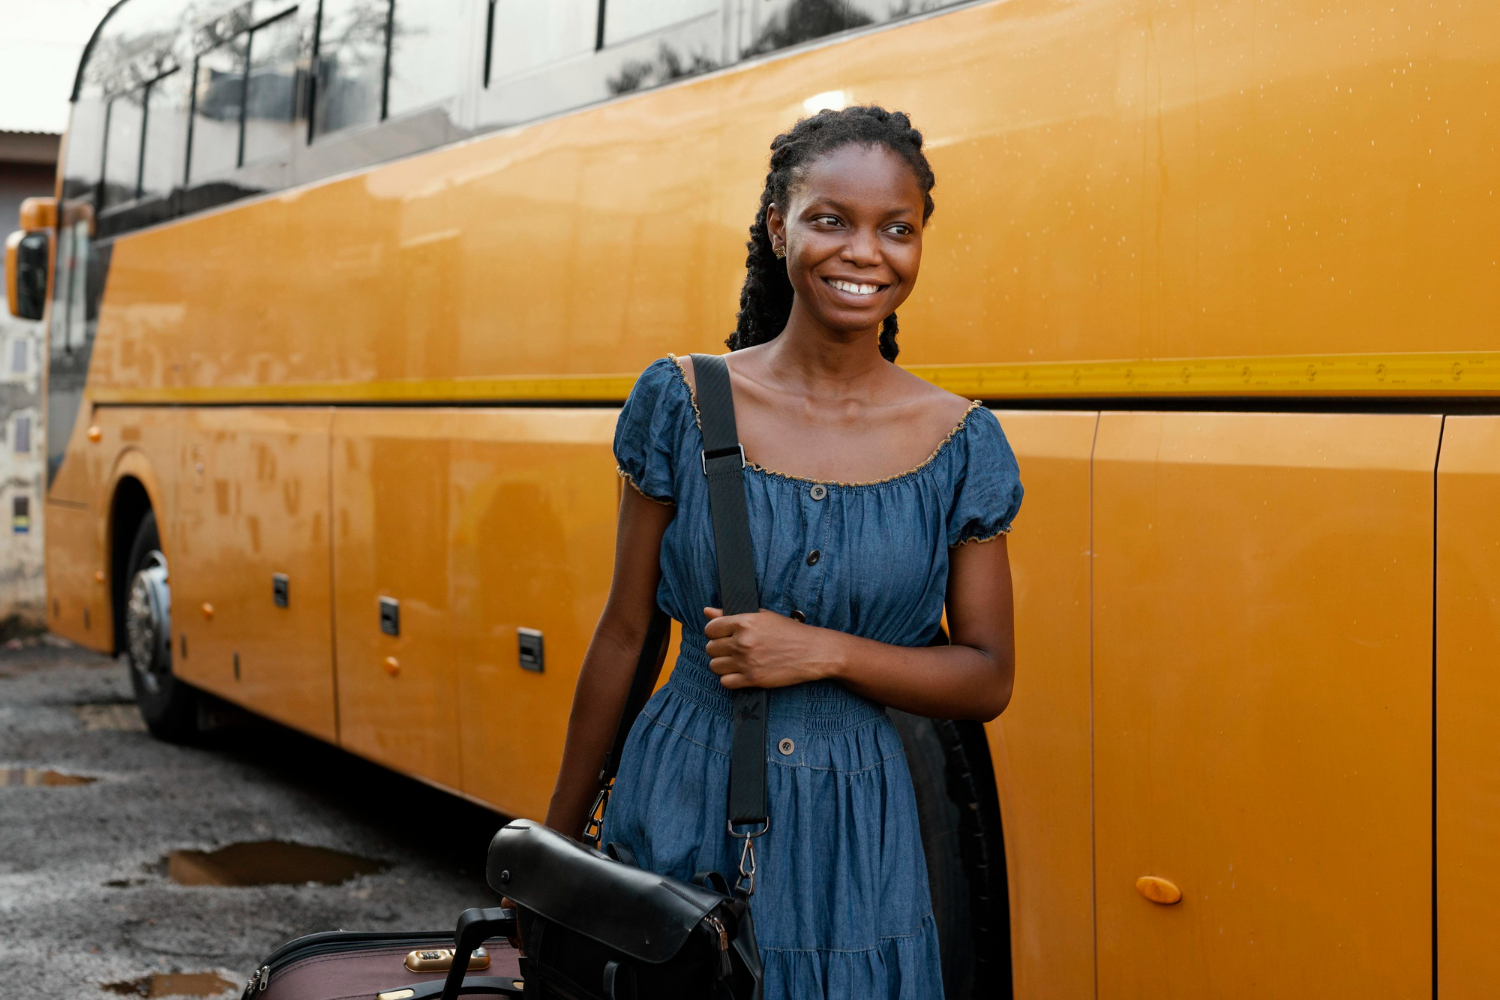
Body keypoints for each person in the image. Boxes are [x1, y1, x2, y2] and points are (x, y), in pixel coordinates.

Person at [545, 105, 1023, 999]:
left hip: (859, 835)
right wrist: (554, 852)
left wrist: (825, 652)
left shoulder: (962, 442)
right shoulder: (682, 401)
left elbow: (988, 678)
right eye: (831, 220)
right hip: (681, 795)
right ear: (778, 228)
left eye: (897, 230)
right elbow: (624, 632)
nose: (864, 253)